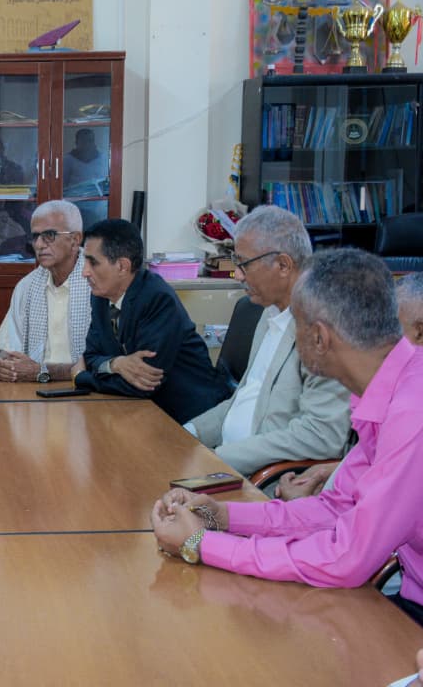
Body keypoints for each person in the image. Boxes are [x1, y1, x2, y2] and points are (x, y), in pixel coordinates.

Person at [151, 249, 423, 627]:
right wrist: (223, 516)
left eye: (294, 324)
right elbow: (334, 509)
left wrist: (201, 543)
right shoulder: (391, 390)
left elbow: (348, 556)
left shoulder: (412, 411)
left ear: (319, 337)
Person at [185, 206, 351, 476]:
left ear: (283, 265)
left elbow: (321, 435)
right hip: (226, 462)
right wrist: (190, 433)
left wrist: (219, 460)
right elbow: (245, 398)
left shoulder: (324, 328)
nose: (238, 275)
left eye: (244, 263)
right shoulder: (268, 312)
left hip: (264, 481)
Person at [276, 270, 423, 501]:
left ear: (420, 333)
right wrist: (336, 470)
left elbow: (373, 520)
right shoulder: (389, 389)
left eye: (390, 328)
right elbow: (373, 464)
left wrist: (301, 505)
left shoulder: (411, 410)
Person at [73, 219, 231, 424]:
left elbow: (142, 384)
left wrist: (82, 378)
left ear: (122, 266)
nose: (84, 272)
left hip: (187, 419)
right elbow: (91, 356)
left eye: (93, 262)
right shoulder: (101, 296)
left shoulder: (157, 299)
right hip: (140, 412)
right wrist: (115, 364)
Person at [0, 200, 92, 383]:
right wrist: (4, 364)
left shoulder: (97, 281)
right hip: (33, 389)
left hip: (87, 389)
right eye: (35, 236)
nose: (39, 244)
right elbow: (8, 348)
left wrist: (42, 371)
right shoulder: (27, 286)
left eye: (49, 235)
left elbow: (103, 363)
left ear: (75, 240)